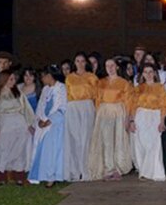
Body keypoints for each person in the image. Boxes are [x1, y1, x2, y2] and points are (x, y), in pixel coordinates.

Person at [86, 57, 133, 181]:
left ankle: (118, 168)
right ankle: (108, 168)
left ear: (117, 67)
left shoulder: (124, 83)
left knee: (118, 139)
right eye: (107, 66)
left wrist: (128, 117)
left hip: (118, 111)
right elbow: (97, 99)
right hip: (105, 111)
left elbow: (128, 101)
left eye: (112, 65)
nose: (110, 68)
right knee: (106, 140)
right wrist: (98, 115)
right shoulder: (101, 82)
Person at [0, 71, 36, 185]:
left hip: (20, 122)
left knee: (20, 148)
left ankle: (19, 175)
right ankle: (2, 175)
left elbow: (26, 109)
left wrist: (30, 124)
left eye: (14, 79)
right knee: (4, 147)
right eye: (11, 79)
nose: (14, 82)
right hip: (6, 122)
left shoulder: (18, 93)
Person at [28, 66, 67, 187]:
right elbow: (41, 105)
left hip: (55, 125)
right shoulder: (45, 89)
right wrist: (40, 119)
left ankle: (53, 176)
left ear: (49, 76)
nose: (42, 79)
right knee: (43, 151)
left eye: (43, 76)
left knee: (53, 151)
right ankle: (44, 174)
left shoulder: (61, 88)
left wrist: (50, 120)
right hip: (44, 124)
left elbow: (62, 107)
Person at [127, 62, 166, 182]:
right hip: (140, 116)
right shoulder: (138, 88)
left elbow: (164, 106)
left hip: (154, 116)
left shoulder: (160, 87)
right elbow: (133, 105)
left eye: (150, 72)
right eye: (146, 72)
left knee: (154, 145)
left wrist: (162, 121)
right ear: (142, 74)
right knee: (141, 144)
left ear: (154, 73)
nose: (148, 74)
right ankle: (143, 171)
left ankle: (154, 172)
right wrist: (132, 121)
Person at [64, 52, 98, 182]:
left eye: (82, 61)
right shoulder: (69, 78)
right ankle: (75, 170)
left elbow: (96, 96)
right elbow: (68, 95)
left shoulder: (91, 77)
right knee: (74, 139)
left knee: (86, 138)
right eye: (77, 61)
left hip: (87, 107)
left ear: (86, 62)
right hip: (73, 107)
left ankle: (86, 170)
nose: (80, 63)